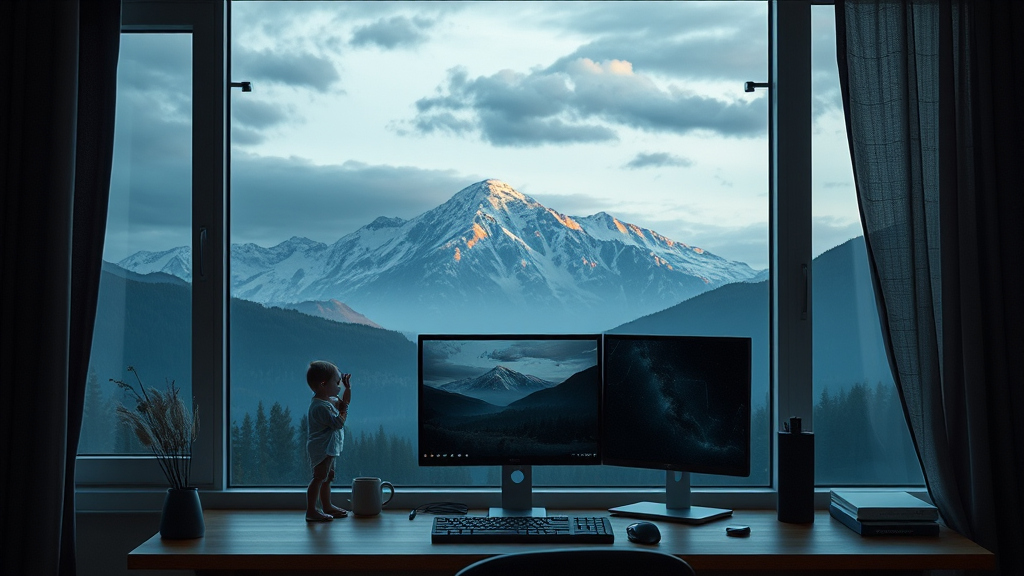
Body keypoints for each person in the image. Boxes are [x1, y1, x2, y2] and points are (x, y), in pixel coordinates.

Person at [305, 360, 352, 522]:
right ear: (323, 384)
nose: (339, 386)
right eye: (337, 382)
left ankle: (327, 506)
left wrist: (347, 388)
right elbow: (338, 423)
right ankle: (311, 510)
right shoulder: (320, 407)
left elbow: (344, 403)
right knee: (319, 477)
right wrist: (344, 410)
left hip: (329, 448)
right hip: (321, 449)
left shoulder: (328, 401)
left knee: (328, 476)